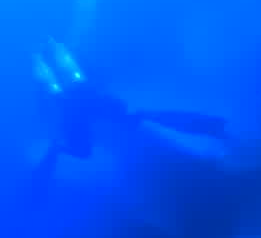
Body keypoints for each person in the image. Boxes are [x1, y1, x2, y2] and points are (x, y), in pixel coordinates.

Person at [30, 35, 229, 195]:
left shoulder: (76, 115)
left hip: (76, 103)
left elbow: (84, 148)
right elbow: (115, 109)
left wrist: (58, 148)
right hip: (81, 100)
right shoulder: (88, 108)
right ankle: (47, 48)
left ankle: (42, 52)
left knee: (62, 84)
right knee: (66, 81)